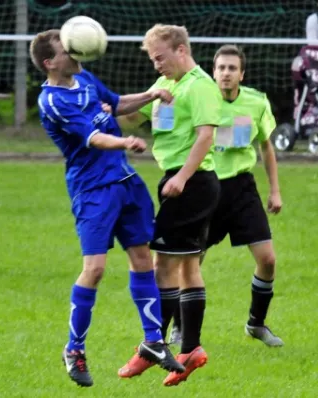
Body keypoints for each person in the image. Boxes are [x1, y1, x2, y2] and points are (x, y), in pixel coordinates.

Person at [29, 29, 184, 388]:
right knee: (95, 269)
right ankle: (74, 349)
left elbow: (114, 103)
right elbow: (93, 138)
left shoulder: (83, 77)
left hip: (125, 182)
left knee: (143, 258)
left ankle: (154, 341)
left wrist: (149, 94)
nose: (75, 53)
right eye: (67, 50)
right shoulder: (52, 100)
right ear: (50, 62)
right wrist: (125, 140)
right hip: (93, 191)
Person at [115, 24, 222, 387]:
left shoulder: (200, 85)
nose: (156, 64)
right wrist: (107, 105)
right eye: (152, 59)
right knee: (189, 266)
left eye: (159, 57)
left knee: (162, 264)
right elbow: (128, 115)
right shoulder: (168, 87)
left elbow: (207, 136)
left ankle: (153, 345)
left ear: (180, 50)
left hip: (190, 183)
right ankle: (191, 348)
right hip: (182, 182)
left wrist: (182, 177)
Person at [168, 45, 284, 348]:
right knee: (191, 262)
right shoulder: (200, 99)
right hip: (206, 188)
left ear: (241, 74)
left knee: (268, 259)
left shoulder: (256, 103)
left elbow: (266, 148)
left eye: (232, 68)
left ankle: (256, 324)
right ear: (214, 71)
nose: (226, 73)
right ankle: (180, 328)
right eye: (220, 68)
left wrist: (275, 190)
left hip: (242, 189)